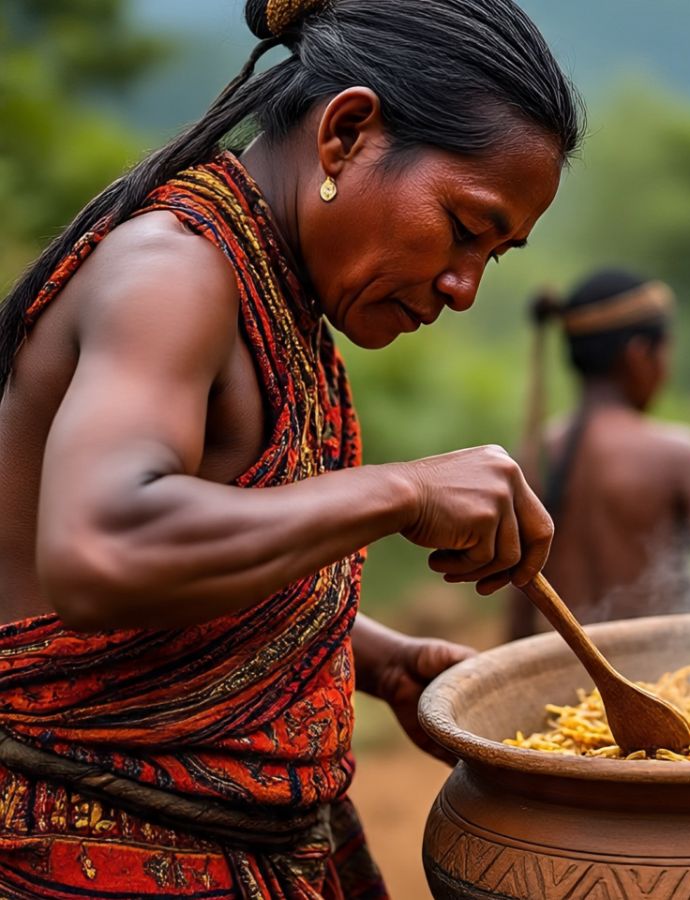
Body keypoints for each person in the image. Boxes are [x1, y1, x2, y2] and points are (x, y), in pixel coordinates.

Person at [0, 0, 581, 896]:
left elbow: (199, 555)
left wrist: (383, 659)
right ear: (347, 133)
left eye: (495, 256)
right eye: (466, 228)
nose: (464, 288)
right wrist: (403, 492)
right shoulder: (174, 271)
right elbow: (100, 549)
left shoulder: (278, 292)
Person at [508, 269, 690, 640]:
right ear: (639, 354)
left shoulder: (532, 456)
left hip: (562, 684)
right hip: (660, 683)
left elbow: (519, 607)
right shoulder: (676, 453)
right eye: (665, 351)